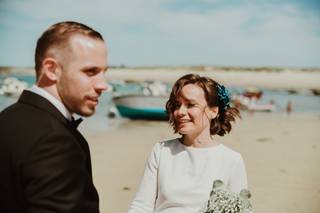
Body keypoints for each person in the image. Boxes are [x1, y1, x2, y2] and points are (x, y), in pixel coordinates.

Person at [0, 21, 108, 212]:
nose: (103, 85)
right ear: (51, 69)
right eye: (90, 71)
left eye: (103, 72)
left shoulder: (6, 119)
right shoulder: (55, 141)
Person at [128, 74, 247, 213]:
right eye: (177, 105)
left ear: (213, 111)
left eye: (190, 105)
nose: (180, 112)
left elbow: (241, 211)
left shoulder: (231, 160)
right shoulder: (161, 151)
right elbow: (141, 206)